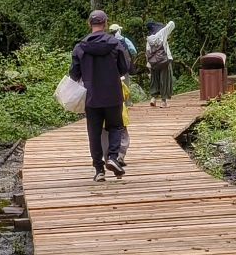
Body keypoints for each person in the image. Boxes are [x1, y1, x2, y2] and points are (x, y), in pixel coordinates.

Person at [71, 10, 133, 182]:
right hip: (113, 94)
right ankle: (113, 157)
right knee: (115, 127)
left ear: (89, 24)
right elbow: (124, 67)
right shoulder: (115, 44)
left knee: (94, 132)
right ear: (105, 24)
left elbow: (74, 74)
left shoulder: (80, 47)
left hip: (91, 97)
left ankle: (99, 169)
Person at [145, 20, 175, 107]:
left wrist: (149, 64)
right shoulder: (162, 33)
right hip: (164, 61)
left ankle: (153, 99)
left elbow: (147, 52)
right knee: (165, 80)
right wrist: (166, 26)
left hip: (154, 62)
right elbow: (172, 24)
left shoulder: (149, 38)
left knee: (154, 80)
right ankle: (163, 102)